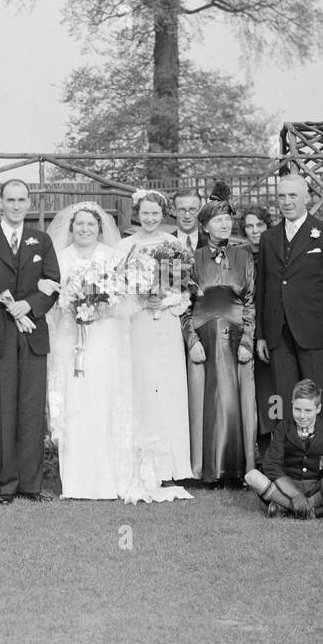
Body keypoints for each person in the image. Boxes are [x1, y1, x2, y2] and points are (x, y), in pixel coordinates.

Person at [48, 202, 164, 501]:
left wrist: (100, 306)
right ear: (71, 228)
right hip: (70, 339)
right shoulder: (58, 258)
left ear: (100, 228)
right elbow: (50, 302)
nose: (85, 229)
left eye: (91, 225)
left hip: (106, 338)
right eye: (79, 225)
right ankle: (75, 482)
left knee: (105, 402)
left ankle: (109, 479)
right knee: (76, 405)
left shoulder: (114, 257)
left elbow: (128, 302)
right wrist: (72, 305)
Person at [0, 180, 61, 505]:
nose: (17, 205)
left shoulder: (42, 240)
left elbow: (53, 284)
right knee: (3, 408)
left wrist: (31, 305)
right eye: (11, 199)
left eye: (22, 200)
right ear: (0, 202)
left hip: (33, 336)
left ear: (29, 203)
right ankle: (6, 485)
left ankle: (32, 484)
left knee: (32, 410)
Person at [255, 174, 323, 424]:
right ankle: (288, 454)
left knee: (319, 396)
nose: (287, 201)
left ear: (306, 197)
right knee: (283, 399)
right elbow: (263, 288)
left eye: (293, 195)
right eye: (282, 196)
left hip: (315, 333)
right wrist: (261, 334)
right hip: (278, 333)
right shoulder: (269, 238)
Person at [182, 192, 257, 484]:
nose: (225, 224)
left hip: (237, 337)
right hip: (203, 339)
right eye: (218, 219)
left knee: (236, 401)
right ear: (205, 226)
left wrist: (248, 341)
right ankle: (204, 469)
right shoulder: (192, 258)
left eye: (228, 219)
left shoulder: (243, 256)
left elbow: (250, 300)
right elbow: (183, 305)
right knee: (205, 401)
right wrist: (192, 341)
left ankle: (238, 469)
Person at [121, 190, 193, 485]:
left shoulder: (173, 245)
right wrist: (141, 300)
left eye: (155, 214)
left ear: (163, 215)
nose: (149, 219)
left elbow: (185, 290)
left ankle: (173, 465)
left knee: (169, 387)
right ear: (136, 214)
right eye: (145, 213)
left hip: (166, 322)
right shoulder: (123, 247)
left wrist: (162, 300)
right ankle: (144, 464)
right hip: (138, 323)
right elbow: (118, 291)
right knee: (143, 386)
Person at [244, 379, 323, 519]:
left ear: (318, 409)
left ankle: (286, 508)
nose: (302, 416)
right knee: (251, 476)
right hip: (287, 487)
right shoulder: (283, 427)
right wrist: (295, 495)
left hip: (318, 489)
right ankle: (315, 511)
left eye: (308, 410)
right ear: (292, 405)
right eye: (297, 409)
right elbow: (271, 464)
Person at [241, 204, 278, 448]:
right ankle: (261, 450)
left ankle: (279, 450)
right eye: (249, 227)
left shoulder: (276, 251)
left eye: (260, 225)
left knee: (274, 393)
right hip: (247, 331)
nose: (255, 231)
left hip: (273, 330)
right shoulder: (240, 255)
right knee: (256, 394)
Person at [171, 187, 204, 252]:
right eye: (182, 210)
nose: (187, 216)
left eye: (192, 210)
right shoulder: (165, 243)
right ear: (174, 211)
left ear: (200, 211)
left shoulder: (212, 244)